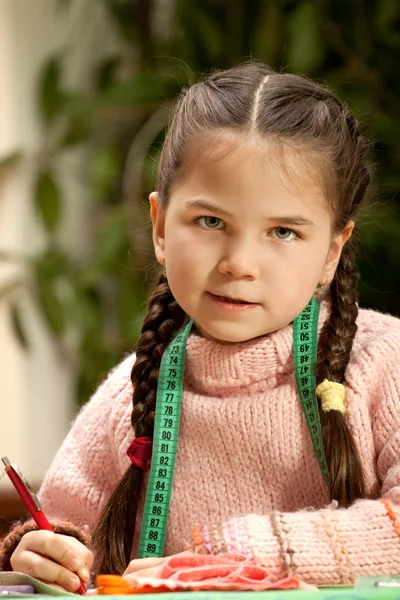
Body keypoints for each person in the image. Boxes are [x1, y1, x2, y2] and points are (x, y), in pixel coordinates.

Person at [1, 62, 400, 592]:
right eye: (211, 222)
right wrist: (44, 551)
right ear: (161, 226)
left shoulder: (383, 364)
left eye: (282, 231)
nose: (239, 262)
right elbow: (73, 543)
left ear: (332, 251)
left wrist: (229, 557)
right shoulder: (130, 396)